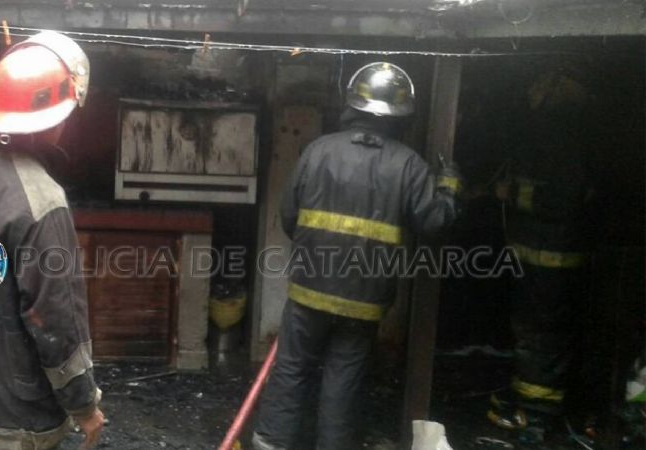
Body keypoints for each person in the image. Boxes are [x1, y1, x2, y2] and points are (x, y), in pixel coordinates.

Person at [252, 62, 462, 450]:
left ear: (353, 105)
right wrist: (448, 188)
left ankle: (271, 444)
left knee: (292, 368)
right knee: (343, 378)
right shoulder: (410, 165)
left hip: (310, 289)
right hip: (364, 300)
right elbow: (432, 223)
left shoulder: (318, 150)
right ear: (401, 117)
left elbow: (289, 216)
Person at [0, 31, 105, 450]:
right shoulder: (42, 200)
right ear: (61, 115)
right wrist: (84, 406)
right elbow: (55, 324)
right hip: (17, 419)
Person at [487, 70, 594, 445]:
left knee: (541, 335)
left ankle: (536, 415)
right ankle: (530, 404)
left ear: (555, 95)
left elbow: (562, 198)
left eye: (538, 85)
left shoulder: (563, 138)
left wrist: (513, 195)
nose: (531, 91)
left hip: (551, 259)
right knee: (532, 332)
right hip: (539, 256)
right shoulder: (553, 135)